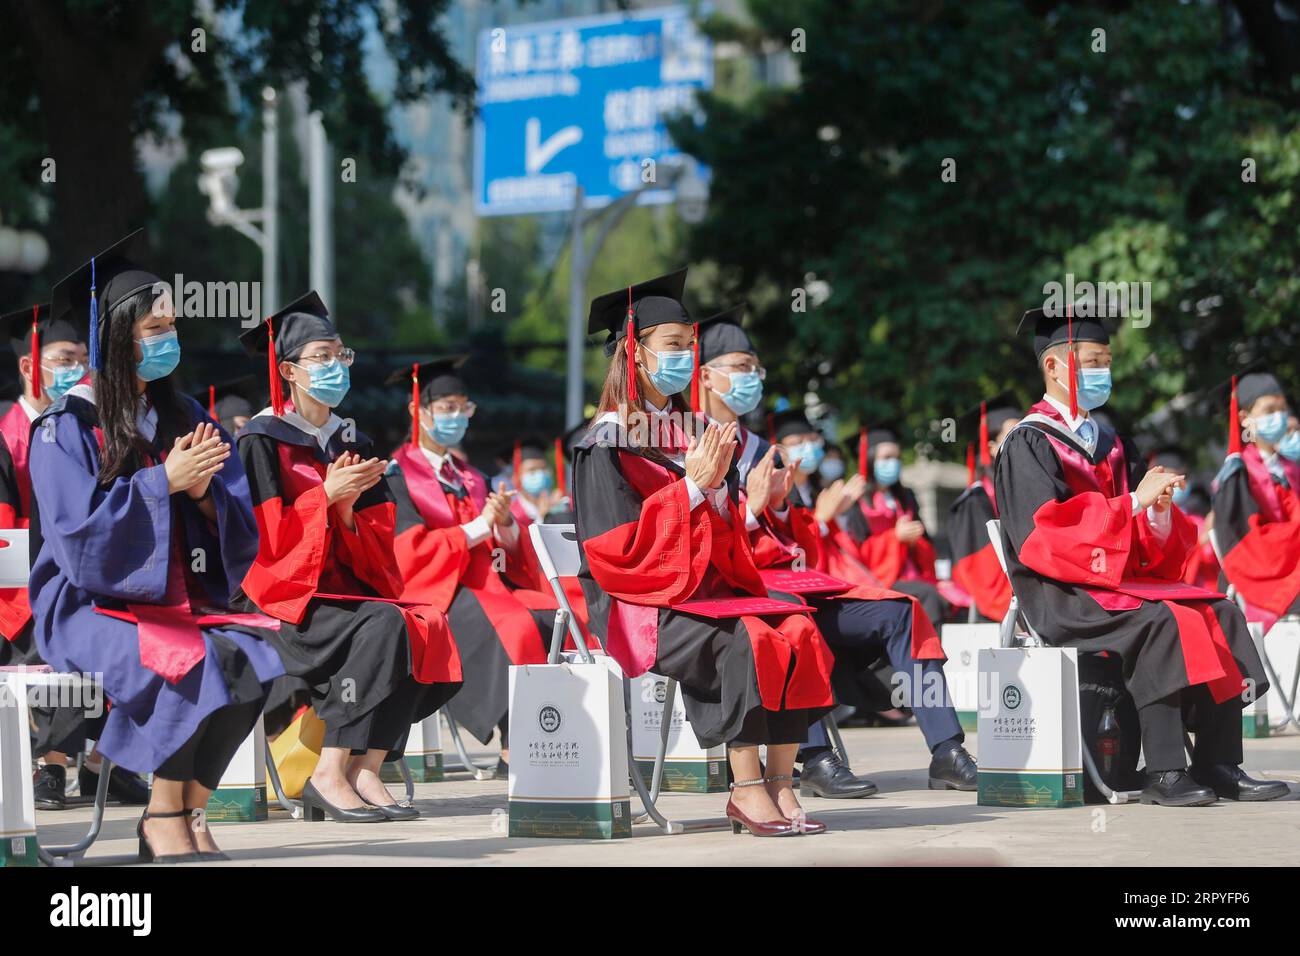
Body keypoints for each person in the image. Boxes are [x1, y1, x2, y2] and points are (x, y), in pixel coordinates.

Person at [30, 233, 287, 862]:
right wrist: (161, 482)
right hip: (85, 604)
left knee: (256, 657)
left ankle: (190, 810)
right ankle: (160, 815)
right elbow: (74, 537)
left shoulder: (178, 414)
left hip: (171, 596)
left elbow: (230, 515)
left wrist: (203, 496)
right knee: (193, 661)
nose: (168, 336)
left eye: (172, 324)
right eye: (154, 326)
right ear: (117, 337)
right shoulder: (65, 426)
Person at [572, 269, 836, 836]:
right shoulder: (606, 441)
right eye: (673, 346)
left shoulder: (693, 429)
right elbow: (614, 551)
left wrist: (716, 490)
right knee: (747, 637)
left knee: (796, 625)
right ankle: (743, 788)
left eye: (688, 347)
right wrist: (692, 488)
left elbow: (726, 534)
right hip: (639, 602)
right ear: (633, 352)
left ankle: (782, 781)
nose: (685, 358)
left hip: (706, 589)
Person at [995, 305, 1286, 805]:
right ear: (1054, 366)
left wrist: (1157, 515)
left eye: (1107, 358)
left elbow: (1145, 545)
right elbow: (1043, 536)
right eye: (1092, 360)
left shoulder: (1110, 443)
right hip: (1061, 592)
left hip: (1118, 582)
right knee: (1163, 622)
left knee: (1218, 609)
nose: (1103, 370)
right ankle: (1166, 771)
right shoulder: (1028, 442)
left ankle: (1218, 762)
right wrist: (1131, 503)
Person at [696, 311, 976, 794]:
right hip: (729, 594)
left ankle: (947, 749)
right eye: (739, 367)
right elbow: (690, 538)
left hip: (789, 583)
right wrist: (752, 509)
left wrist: (782, 509)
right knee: (789, 619)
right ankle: (815, 758)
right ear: (706, 375)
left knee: (900, 611)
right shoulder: (686, 445)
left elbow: (804, 547)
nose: (750, 379)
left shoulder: (764, 450)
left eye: (755, 370)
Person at [236, 291, 462, 823]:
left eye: (341, 354)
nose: (336, 365)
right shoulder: (260, 442)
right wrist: (325, 499)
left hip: (341, 594)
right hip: (281, 600)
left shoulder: (349, 438)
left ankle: (367, 767)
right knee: (385, 623)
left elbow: (379, 545)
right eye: (321, 356)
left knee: (423, 621)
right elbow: (262, 543)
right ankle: (328, 770)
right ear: (288, 369)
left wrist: (346, 512)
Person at [0, 303, 151, 810]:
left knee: (135, 617)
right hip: (17, 588)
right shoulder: (6, 436)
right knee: (58, 623)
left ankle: (103, 763)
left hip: (88, 565)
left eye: (83, 358)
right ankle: (54, 764)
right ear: (29, 366)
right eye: (65, 357)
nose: (77, 368)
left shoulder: (88, 423)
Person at [384, 358, 560, 779]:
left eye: (463, 407)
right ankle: (513, 743)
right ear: (417, 412)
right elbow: (406, 553)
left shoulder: (471, 477)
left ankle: (551, 733)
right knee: (515, 625)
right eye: (445, 407)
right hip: (432, 591)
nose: (456, 417)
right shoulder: (396, 476)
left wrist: (502, 527)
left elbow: (503, 549)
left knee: (554, 614)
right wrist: (477, 528)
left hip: (485, 582)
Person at [1212, 372, 1300, 628]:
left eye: (1282, 408)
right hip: (1264, 574)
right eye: (1269, 409)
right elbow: (1246, 541)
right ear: (1244, 417)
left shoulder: (1291, 467)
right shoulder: (1238, 474)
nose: (1279, 416)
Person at [947, 404, 1021, 623]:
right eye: (1013, 435)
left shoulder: (1022, 486)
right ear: (991, 446)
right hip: (997, 589)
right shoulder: (975, 500)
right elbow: (980, 567)